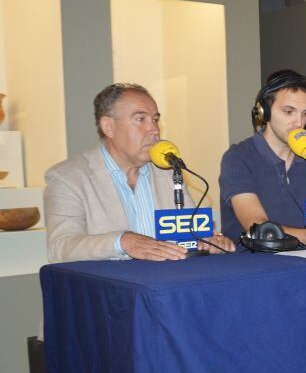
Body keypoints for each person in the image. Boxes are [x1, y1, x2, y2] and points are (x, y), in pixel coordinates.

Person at [44, 83, 234, 263]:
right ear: (108, 126)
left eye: (155, 119)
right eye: (140, 119)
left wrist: (210, 241)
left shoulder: (168, 172)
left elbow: (193, 233)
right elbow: (60, 247)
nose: (154, 129)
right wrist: (123, 242)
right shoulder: (67, 177)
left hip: (168, 282)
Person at [219, 70, 306, 244]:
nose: (299, 123)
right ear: (264, 112)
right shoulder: (237, 158)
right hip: (255, 264)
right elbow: (260, 228)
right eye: (289, 112)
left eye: (305, 113)